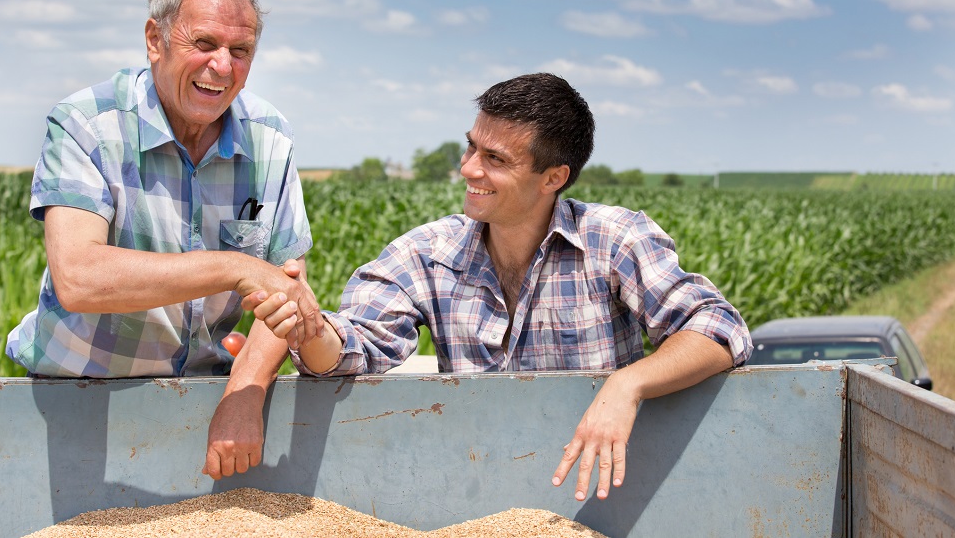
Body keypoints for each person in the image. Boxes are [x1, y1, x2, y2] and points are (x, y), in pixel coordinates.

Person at [205, 73, 752, 500]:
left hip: (592, 499)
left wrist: (626, 386)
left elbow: (718, 328)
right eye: (470, 148)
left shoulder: (614, 241)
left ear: (553, 177)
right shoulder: (427, 252)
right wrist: (310, 329)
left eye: (495, 159)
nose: (469, 169)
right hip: (474, 499)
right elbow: (353, 353)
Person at [5, 0, 326, 384]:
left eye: (240, 50)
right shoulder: (87, 124)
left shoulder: (270, 138)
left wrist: (244, 394)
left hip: (203, 391)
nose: (223, 66)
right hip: (76, 391)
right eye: (204, 43)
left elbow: (286, 294)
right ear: (155, 40)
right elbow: (79, 278)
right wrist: (235, 268)